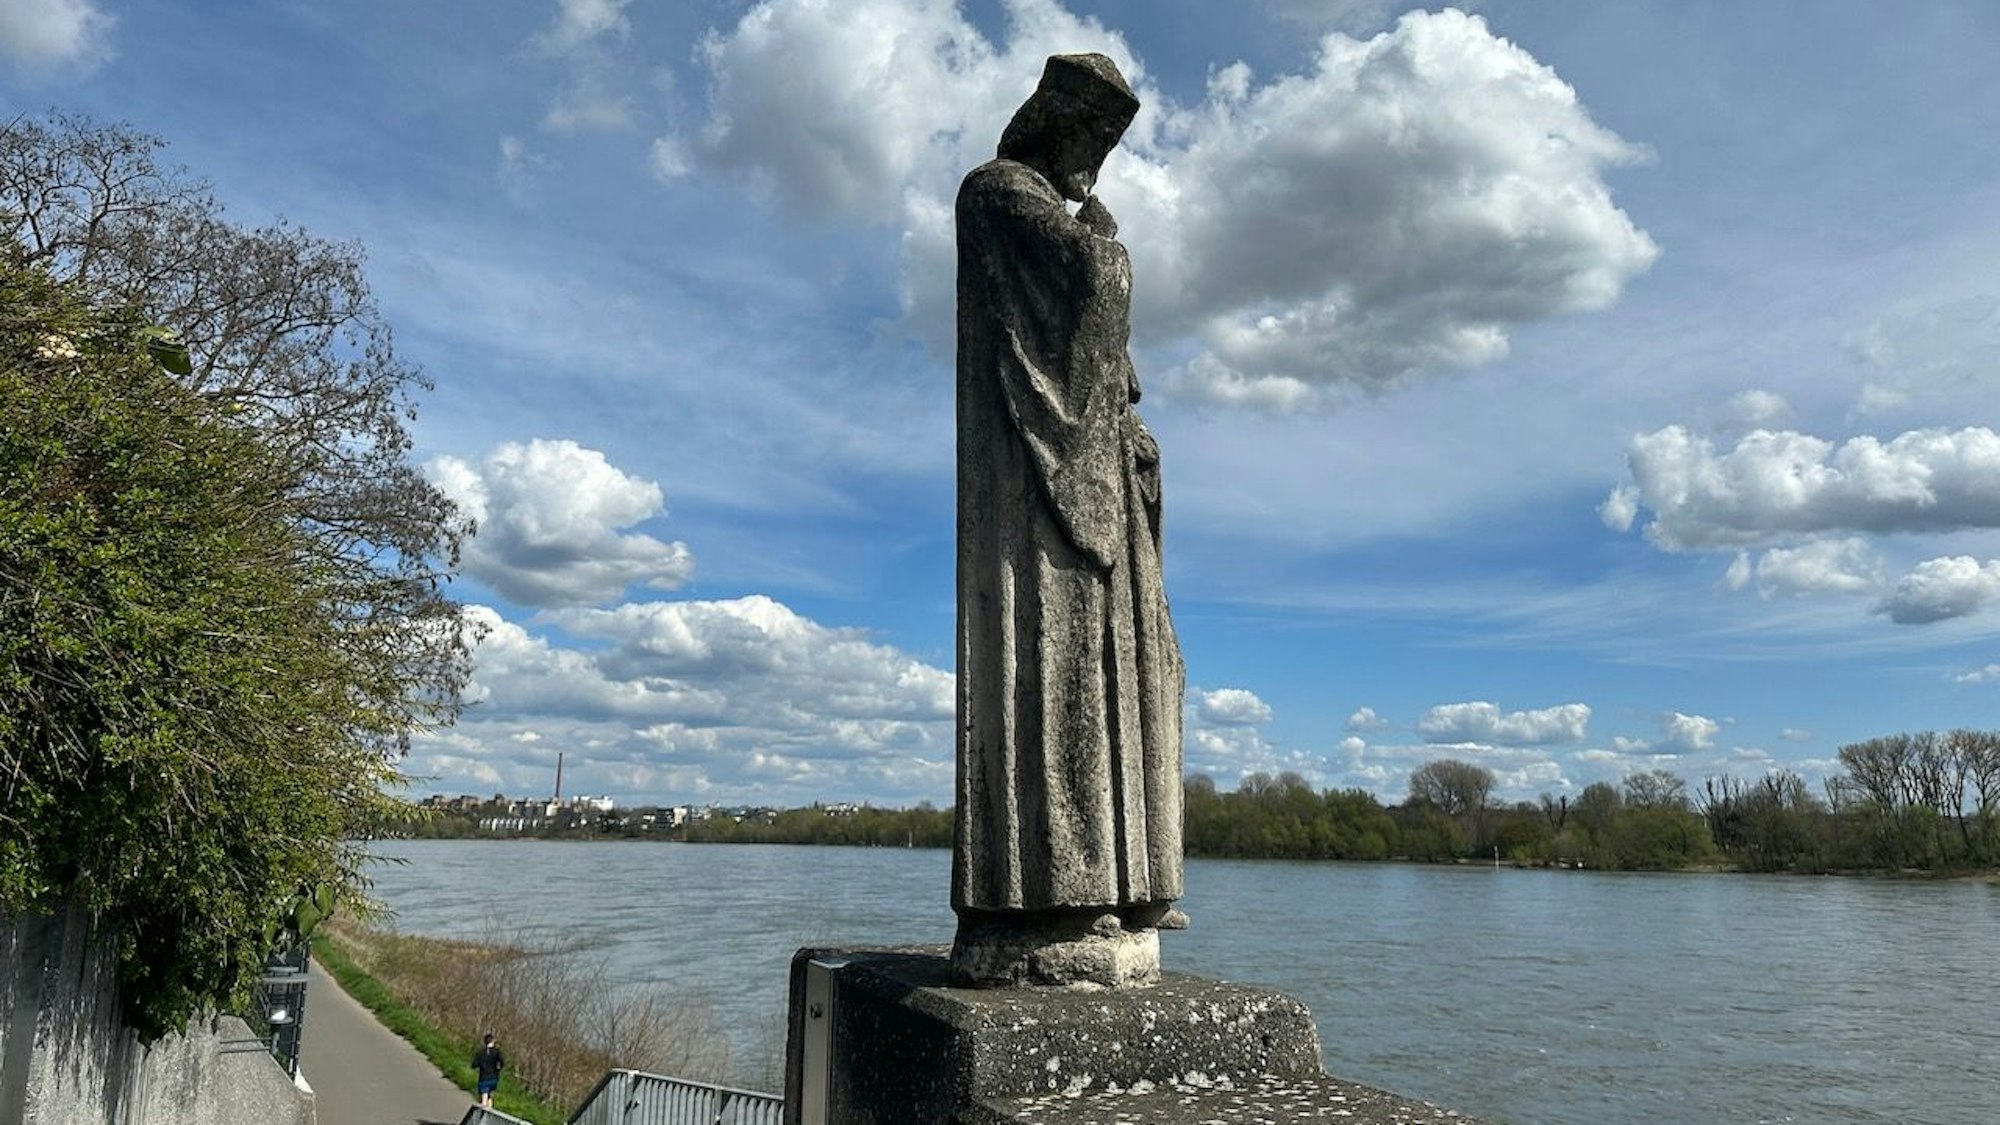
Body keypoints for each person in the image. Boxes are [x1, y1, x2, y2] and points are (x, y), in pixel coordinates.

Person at [950, 53, 1185, 986]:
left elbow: (1109, 363)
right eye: (1090, 137)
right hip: (1037, 501)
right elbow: (1089, 293)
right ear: (1052, 120)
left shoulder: (1055, 207)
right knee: (1059, 672)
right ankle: (1055, 897)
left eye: (1109, 145)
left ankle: (1136, 878)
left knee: (1151, 663)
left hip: (1101, 483)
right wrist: (1105, 237)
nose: (1096, 160)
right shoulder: (998, 193)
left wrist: (1129, 434)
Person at [472, 1033, 504, 1107]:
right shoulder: (497, 1052)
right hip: (494, 1077)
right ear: (493, 1041)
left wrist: (480, 1065)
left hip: (484, 1077)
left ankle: (483, 1114)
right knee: (490, 1097)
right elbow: (502, 1062)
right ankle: (489, 1111)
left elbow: (474, 1064)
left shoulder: (480, 1053)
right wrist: (498, 1069)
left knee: (484, 1097)